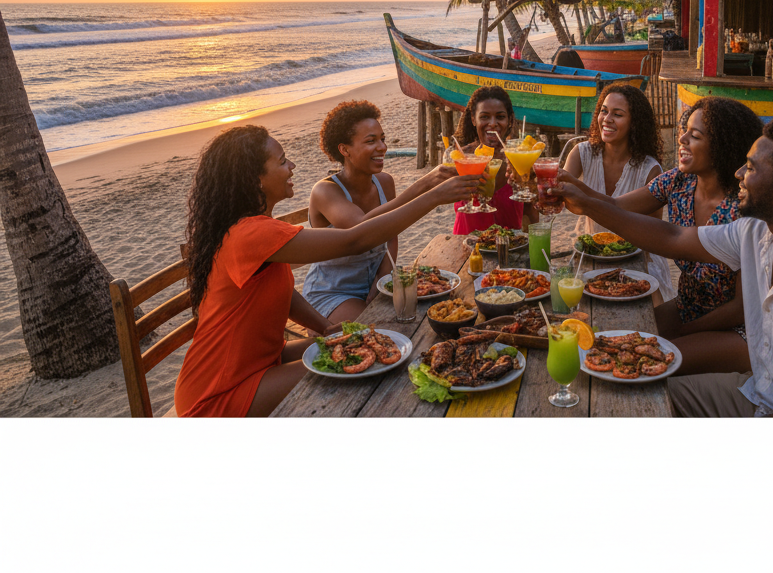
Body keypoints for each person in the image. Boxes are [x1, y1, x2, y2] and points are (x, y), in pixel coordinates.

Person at [556, 116, 773, 417]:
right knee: (638, 395)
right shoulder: (757, 231)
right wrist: (586, 202)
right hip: (761, 394)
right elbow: (673, 236)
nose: (739, 174)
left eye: (750, 167)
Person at [173, 125, 480, 417]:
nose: (292, 165)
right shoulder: (250, 234)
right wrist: (435, 195)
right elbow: (354, 239)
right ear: (256, 180)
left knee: (371, 344)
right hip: (218, 392)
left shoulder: (255, 228)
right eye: (282, 161)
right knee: (363, 372)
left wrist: (324, 326)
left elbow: (279, 292)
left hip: (263, 361)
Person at [561, 95, 762, 376]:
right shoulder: (678, 181)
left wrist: (678, 333)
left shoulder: (743, 209)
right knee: (608, 341)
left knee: (650, 366)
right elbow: (617, 206)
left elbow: (741, 308)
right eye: (684, 132)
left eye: (695, 136)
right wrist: (569, 185)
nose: (681, 140)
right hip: (687, 307)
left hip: (736, 329)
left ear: (722, 145)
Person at [302, 100, 457, 329]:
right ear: (344, 150)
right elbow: (363, 230)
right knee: (384, 330)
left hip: (374, 283)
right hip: (332, 293)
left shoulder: (384, 182)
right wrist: (423, 185)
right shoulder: (325, 191)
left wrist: (383, 281)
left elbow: (389, 232)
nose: (382, 147)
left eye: (382, 138)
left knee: (430, 315)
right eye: (370, 141)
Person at [561, 83, 668, 293]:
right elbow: (559, 194)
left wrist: (576, 189)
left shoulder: (650, 170)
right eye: (603, 111)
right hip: (593, 256)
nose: (607, 119)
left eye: (617, 114)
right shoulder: (581, 153)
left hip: (639, 264)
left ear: (634, 123)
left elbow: (653, 235)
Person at [451, 87, 538, 235]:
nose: (492, 123)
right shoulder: (461, 158)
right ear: (473, 119)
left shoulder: (520, 159)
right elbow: (438, 195)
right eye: (484, 117)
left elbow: (531, 211)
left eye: (500, 117)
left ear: (509, 120)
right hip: (467, 250)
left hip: (509, 249)